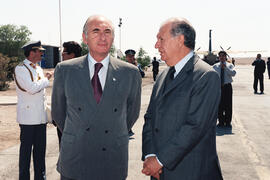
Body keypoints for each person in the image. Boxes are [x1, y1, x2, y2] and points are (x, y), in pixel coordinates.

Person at [51, 15, 141, 180]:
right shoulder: (65, 70)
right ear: (85, 37)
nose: (102, 36)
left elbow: (132, 114)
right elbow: (58, 113)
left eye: (107, 31)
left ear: (113, 38)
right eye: (96, 31)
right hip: (75, 158)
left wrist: (109, 130)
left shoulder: (130, 73)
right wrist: (79, 133)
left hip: (112, 158)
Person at [141, 17, 223, 180]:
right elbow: (150, 118)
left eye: (161, 39)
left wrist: (159, 160)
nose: (156, 45)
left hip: (191, 172)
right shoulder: (163, 75)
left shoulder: (206, 76)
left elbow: (194, 127)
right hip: (159, 172)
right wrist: (150, 155)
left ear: (180, 40)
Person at [14, 41, 53, 180]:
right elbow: (31, 88)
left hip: (40, 117)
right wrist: (47, 78)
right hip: (28, 118)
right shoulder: (21, 69)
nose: (42, 54)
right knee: (25, 153)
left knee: (40, 152)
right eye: (39, 51)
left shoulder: (37, 68)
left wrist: (43, 78)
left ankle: (40, 177)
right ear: (31, 52)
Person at [53, 41, 82, 149]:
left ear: (72, 54)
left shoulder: (61, 69)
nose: (62, 54)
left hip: (67, 120)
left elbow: (57, 100)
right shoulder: (88, 68)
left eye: (64, 52)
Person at [213, 51, 236, 128]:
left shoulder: (230, 65)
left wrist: (225, 68)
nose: (222, 57)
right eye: (220, 56)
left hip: (227, 87)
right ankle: (221, 122)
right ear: (218, 57)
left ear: (225, 57)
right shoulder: (215, 66)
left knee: (228, 105)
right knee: (219, 105)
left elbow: (233, 73)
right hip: (218, 87)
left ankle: (228, 122)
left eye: (223, 56)